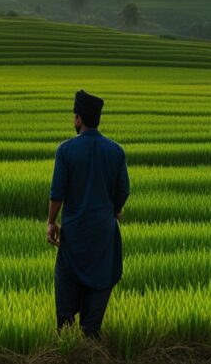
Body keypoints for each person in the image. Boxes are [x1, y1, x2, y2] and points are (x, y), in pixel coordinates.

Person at [46, 90, 129, 338]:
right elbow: (123, 189)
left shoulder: (66, 150)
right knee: (101, 274)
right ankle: (91, 335)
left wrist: (51, 222)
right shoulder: (116, 151)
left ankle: (67, 336)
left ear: (79, 119)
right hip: (104, 231)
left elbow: (57, 193)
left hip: (75, 230)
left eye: (74, 117)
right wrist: (114, 209)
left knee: (67, 277)